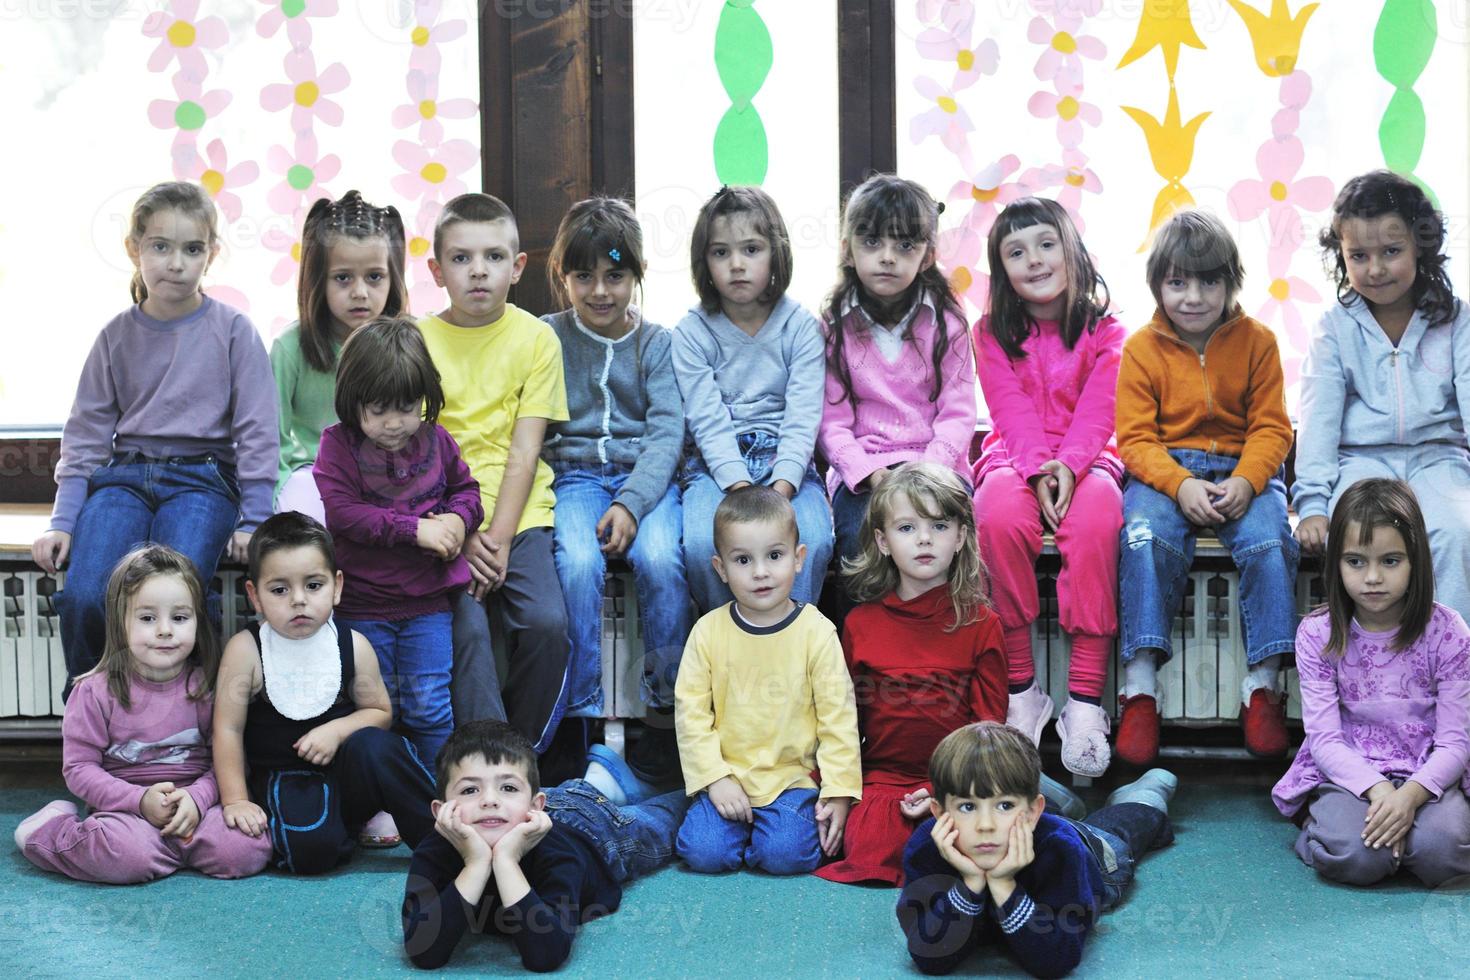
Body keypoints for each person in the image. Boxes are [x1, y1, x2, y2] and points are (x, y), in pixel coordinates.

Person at [33, 181, 277, 692]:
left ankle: (183, 722)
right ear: (134, 250)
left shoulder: (235, 332)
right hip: (123, 480)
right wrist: (64, 520)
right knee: (85, 595)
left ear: (211, 255)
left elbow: (257, 435)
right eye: (160, 247)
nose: (176, 262)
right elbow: (85, 437)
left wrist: (254, 519)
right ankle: (92, 713)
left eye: (192, 249)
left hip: (203, 483)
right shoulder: (114, 337)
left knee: (177, 597)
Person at [1114, 209, 1298, 765]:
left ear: (1230, 283)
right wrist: (1180, 483)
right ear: (1158, 286)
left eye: (1208, 281)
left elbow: (1273, 427)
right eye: (1177, 282)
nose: (1193, 296)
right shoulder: (1141, 349)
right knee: (1143, 540)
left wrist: (1248, 479)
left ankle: (1263, 686)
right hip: (1166, 472)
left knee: (1270, 543)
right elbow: (1135, 439)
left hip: (1245, 469)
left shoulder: (1258, 342)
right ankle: (1141, 687)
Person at [314, 317, 483, 846]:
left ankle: (441, 802)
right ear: (353, 402)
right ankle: (377, 803)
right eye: (379, 409)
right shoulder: (337, 447)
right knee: (375, 708)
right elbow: (344, 516)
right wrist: (416, 530)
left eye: (408, 407)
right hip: (362, 607)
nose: (395, 423)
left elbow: (468, 491)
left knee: (431, 705)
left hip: (429, 604)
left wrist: (458, 519)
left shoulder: (438, 441)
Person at [971, 197, 1125, 777]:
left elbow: (1100, 409)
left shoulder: (1108, 331)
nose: (1033, 260)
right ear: (1002, 269)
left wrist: (1069, 466)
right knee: (995, 516)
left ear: (1070, 249)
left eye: (1045, 245)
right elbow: (1008, 410)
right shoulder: (989, 333)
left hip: (1090, 462)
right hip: (1015, 457)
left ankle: (1084, 704)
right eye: (1016, 252)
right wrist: (1038, 468)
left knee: (1097, 520)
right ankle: (1022, 694)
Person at [541, 197, 690, 787]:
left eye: (615, 275)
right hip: (574, 477)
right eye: (584, 276)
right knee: (577, 564)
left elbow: (666, 434)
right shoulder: (547, 337)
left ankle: (666, 711)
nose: (600, 290)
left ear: (637, 275)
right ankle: (579, 713)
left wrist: (631, 502)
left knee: (659, 558)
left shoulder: (657, 343)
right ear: (563, 277)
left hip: (646, 485)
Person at [419, 193, 572, 760]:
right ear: (436, 270)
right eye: (460, 258)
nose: (478, 270)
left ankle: (522, 754)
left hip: (519, 515)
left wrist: (499, 538)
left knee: (546, 624)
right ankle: (479, 765)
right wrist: (457, 531)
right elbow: (414, 448)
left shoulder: (536, 339)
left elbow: (525, 452)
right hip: (440, 517)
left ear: (517, 266)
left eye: (492, 256)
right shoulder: (418, 341)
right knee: (469, 630)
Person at [15, 546, 272, 883]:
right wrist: (139, 801)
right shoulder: (94, 690)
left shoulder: (207, 686)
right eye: (148, 618)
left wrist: (196, 800)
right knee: (126, 857)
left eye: (179, 618)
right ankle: (50, 830)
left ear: (197, 620)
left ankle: (166, 849)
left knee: (247, 849)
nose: (165, 630)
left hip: (196, 802)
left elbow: (226, 758)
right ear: (121, 622)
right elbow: (78, 769)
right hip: (125, 808)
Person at [212, 513, 438, 873]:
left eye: (313, 586)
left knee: (380, 747)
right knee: (312, 855)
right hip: (283, 779)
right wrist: (236, 800)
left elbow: (379, 712)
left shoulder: (354, 645)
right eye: (280, 589)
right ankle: (337, 830)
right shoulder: (245, 650)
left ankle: (445, 839)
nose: (299, 600)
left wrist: (337, 731)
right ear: (254, 596)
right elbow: (227, 730)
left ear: (337, 587)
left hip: (346, 777)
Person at [815, 462, 1007, 886]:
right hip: (885, 780)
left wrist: (947, 794)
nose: (923, 539)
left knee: (988, 847)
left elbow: (988, 730)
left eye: (938, 525)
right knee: (870, 848)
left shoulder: (982, 623)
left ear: (960, 537)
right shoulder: (860, 624)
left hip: (960, 783)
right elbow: (842, 722)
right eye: (907, 528)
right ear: (882, 542)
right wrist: (840, 790)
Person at [1272, 479, 1470, 886]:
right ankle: (1324, 824)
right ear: (1336, 564)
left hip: (1428, 770)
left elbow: (1456, 741)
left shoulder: (1449, 631)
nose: (1373, 577)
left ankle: (1407, 841)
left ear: (1416, 560)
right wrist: (1380, 794)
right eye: (1356, 561)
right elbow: (1324, 739)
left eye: (1391, 560)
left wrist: (1410, 797)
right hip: (1352, 775)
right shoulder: (1317, 633)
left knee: (1444, 855)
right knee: (1356, 856)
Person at [1293, 169, 1470, 620]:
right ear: (1342, 256)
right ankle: (1377, 673)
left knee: (1456, 531)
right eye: (1359, 255)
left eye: (1391, 252)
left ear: (1420, 247)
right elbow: (1318, 423)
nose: (1375, 269)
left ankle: (1451, 670)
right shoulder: (1334, 328)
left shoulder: (1456, 320)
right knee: (1362, 537)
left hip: (1439, 460)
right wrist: (1313, 503)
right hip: (1362, 464)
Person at [674, 486, 861, 874]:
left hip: (791, 784)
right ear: (721, 568)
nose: (760, 572)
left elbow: (838, 719)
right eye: (743, 560)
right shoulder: (708, 632)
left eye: (774, 556)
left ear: (798, 558)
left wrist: (839, 791)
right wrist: (715, 778)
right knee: (703, 853)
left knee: (785, 855)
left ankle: (766, 834)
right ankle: (704, 820)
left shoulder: (817, 632)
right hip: (727, 780)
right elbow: (691, 715)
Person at [401, 720, 688, 971]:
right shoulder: (434, 849)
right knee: (531, 794)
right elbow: (424, 952)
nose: (489, 800)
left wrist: (506, 862)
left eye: (507, 787)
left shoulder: (557, 853)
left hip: (593, 827)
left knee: (668, 820)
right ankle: (606, 782)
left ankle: (657, 789)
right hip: (524, 809)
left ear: (536, 805)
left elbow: (546, 955)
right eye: (470, 790)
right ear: (441, 811)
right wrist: (478, 863)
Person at [817, 175, 976, 629]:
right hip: (866, 473)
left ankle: (943, 656)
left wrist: (929, 472)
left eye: (904, 245)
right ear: (849, 248)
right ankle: (862, 663)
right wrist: (869, 474)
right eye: (872, 242)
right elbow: (831, 422)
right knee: (856, 534)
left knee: (947, 537)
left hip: (935, 467)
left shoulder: (947, 322)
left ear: (927, 254)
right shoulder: (834, 325)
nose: (887, 256)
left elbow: (958, 411)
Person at [897, 722, 1176, 977]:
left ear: (1032, 812)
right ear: (939, 812)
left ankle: (1143, 795)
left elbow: (1056, 961)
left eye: (1004, 805)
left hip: (1093, 852)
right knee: (1038, 819)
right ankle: (1041, 799)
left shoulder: (1061, 848)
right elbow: (929, 957)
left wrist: (1003, 885)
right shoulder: (927, 846)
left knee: (1123, 828)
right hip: (1032, 825)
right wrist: (970, 885)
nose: (985, 826)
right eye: (967, 807)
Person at [674, 185, 834, 613]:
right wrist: (741, 491)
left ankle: (790, 654)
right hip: (716, 469)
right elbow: (706, 420)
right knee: (704, 546)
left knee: (813, 541)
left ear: (775, 253)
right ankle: (726, 647)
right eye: (721, 252)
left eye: (752, 249)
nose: (737, 265)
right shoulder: (691, 332)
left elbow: (803, 418)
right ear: (704, 262)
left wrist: (780, 490)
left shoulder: (800, 327)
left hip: (790, 467)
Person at [271, 190, 408, 523]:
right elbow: (271, 438)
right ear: (318, 279)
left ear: (393, 277)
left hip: (387, 472)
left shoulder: (408, 342)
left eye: (374, 277)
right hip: (311, 474)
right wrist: (273, 495)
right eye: (343, 278)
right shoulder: (290, 347)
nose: (360, 292)